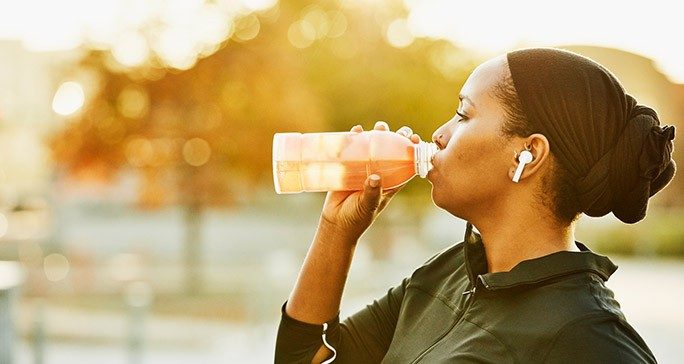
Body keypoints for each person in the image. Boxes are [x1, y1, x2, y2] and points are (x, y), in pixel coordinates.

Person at [274, 48, 675, 363]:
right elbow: (306, 358)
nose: (439, 134)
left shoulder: (586, 336)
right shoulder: (447, 275)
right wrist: (337, 229)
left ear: (528, 155)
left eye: (463, 115)